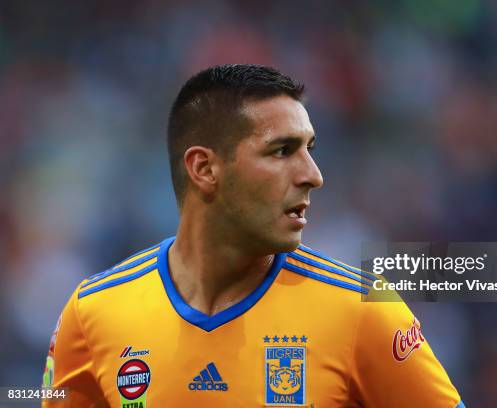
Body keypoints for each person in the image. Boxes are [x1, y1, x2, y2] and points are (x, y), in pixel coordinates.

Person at [42, 64, 464, 407]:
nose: (313, 176)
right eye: (282, 151)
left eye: (309, 150)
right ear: (204, 170)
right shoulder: (92, 313)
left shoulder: (363, 310)